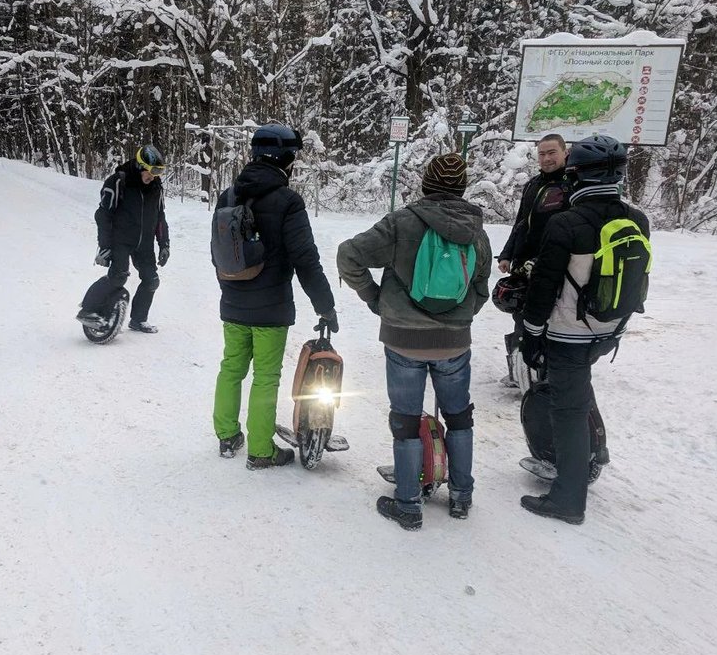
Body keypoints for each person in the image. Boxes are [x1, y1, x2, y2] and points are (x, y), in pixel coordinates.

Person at [337, 153, 491, 530]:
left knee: (405, 421)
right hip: (454, 342)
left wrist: (375, 298)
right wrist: (459, 316)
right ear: (462, 187)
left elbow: (348, 256)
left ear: (425, 184)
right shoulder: (476, 231)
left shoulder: (401, 223)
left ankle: (408, 504)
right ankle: (461, 495)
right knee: (459, 416)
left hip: (403, 339)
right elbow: (481, 287)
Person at [519, 135, 649, 525]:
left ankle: (568, 499)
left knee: (568, 411)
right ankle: (597, 452)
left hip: (568, 333)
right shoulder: (636, 220)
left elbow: (544, 286)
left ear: (575, 175)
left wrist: (531, 333)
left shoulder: (567, 223)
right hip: (609, 330)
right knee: (578, 392)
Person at [211, 123, 337, 469]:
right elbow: (305, 259)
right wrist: (325, 306)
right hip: (271, 309)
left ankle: (226, 436)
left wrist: (230, 290)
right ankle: (260, 451)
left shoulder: (228, 195)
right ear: (285, 159)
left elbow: (218, 252)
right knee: (266, 377)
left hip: (233, 303)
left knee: (231, 368)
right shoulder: (288, 202)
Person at [496, 134, 574, 387]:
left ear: (565, 152)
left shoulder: (572, 185)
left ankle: (547, 373)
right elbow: (521, 222)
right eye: (542, 154)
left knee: (549, 318)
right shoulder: (533, 184)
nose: (547, 158)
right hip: (524, 264)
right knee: (521, 314)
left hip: (554, 266)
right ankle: (520, 371)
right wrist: (507, 254)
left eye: (552, 153)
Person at [77, 145, 170, 333]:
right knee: (118, 277)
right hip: (120, 240)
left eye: (157, 173)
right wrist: (104, 246)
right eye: (151, 172)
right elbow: (103, 215)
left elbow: (160, 218)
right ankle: (88, 311)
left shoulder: (156, 188)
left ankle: (138, 320)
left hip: (144, 244)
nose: (153, 177)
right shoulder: (119, 182)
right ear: (140, 166)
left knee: (151, 280)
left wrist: (164, 244)